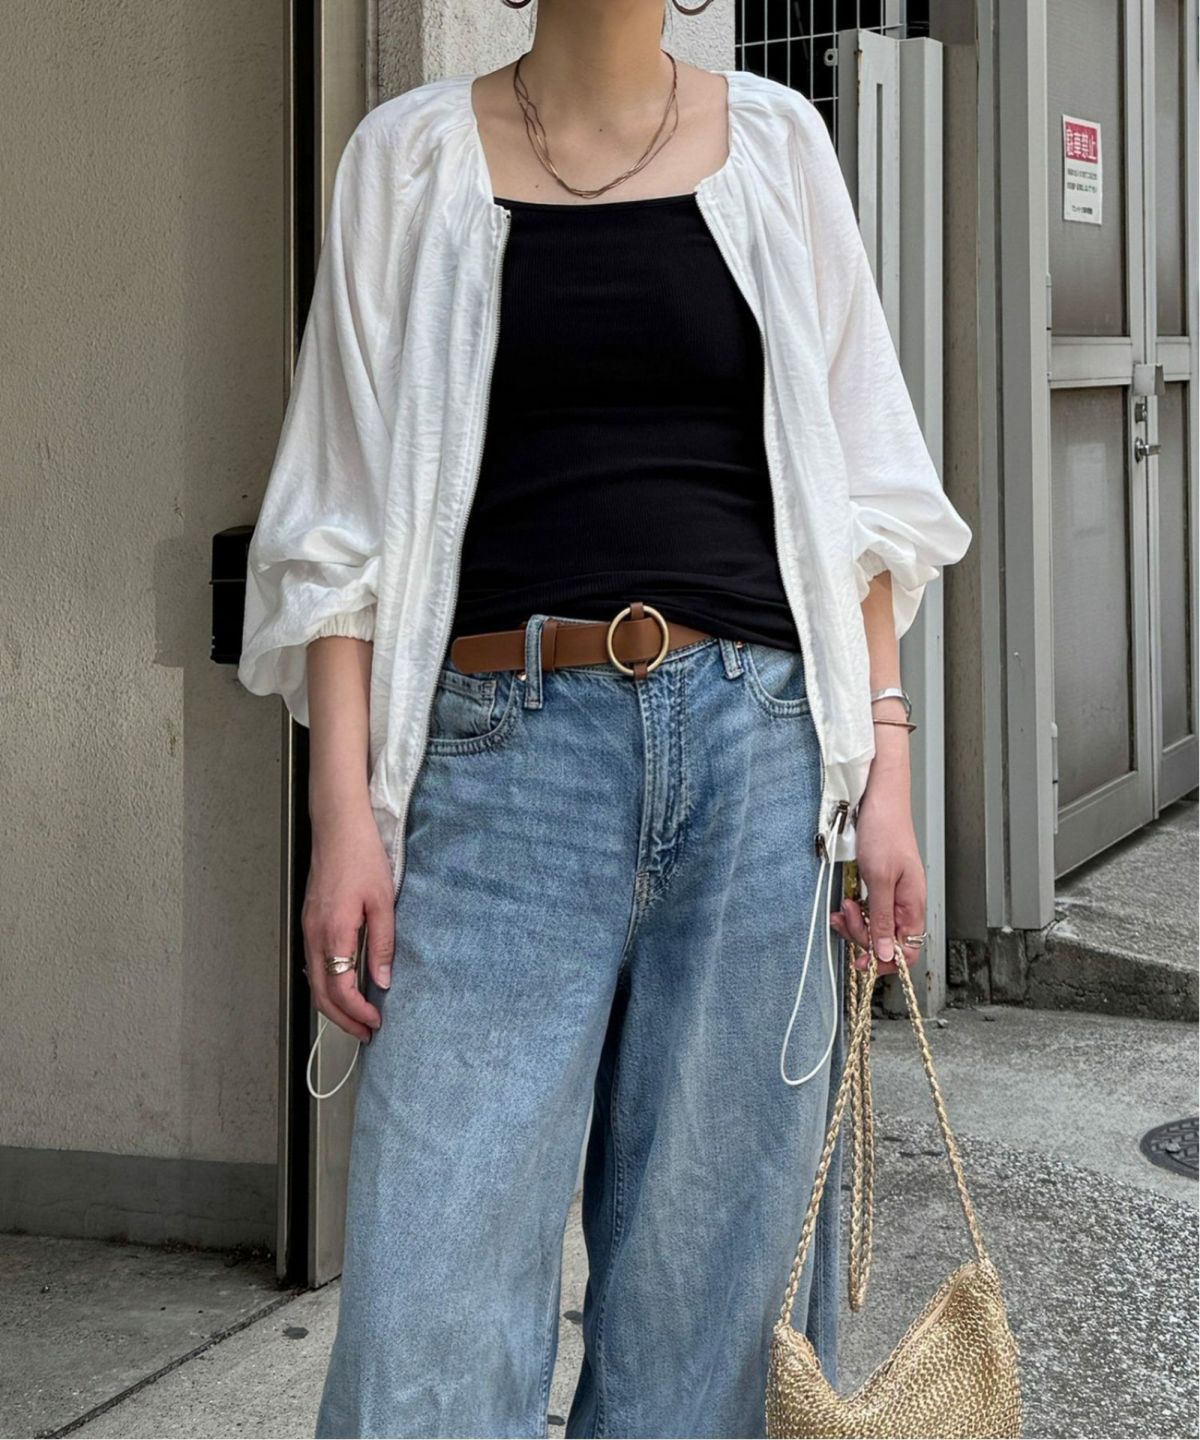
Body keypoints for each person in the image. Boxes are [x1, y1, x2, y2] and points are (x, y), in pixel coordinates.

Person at [237, 2, 974, 1435]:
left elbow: (862, 495)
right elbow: (337, 523)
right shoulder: (406, 160)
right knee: (429, 1304)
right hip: (497, 762)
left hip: (759, 753)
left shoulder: (780, 147)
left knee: (715, 1302)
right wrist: (343, 818)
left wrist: (884, 779)